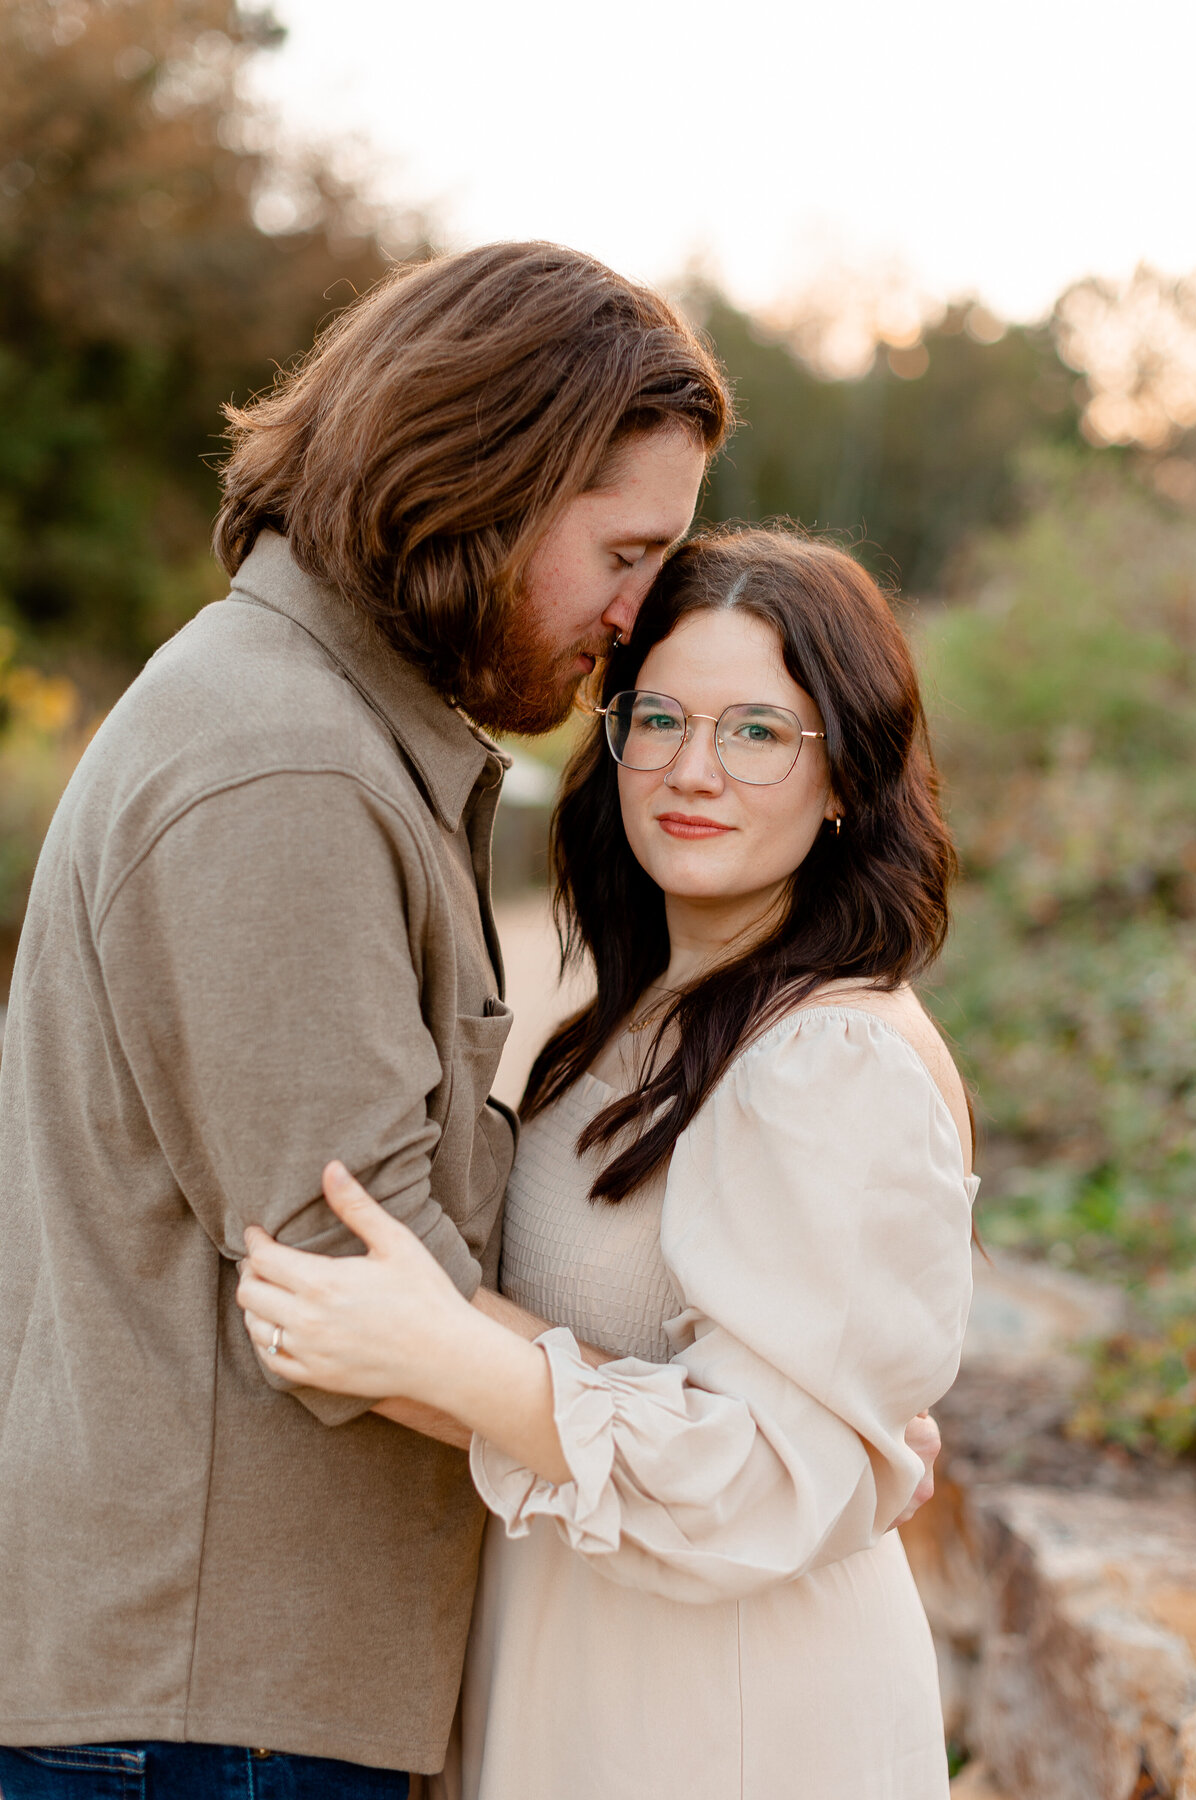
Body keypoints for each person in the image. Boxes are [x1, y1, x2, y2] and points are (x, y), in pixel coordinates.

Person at [0, 242, 729, 1797]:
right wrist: (734, 1441)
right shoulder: (285, 768)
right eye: (625, 551)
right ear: (487, 483)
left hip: (241, 1707)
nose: (637, 615)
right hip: (210, 1718)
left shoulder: (325, 732)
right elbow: (362, 1310)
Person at [235, 527, 978, 1798]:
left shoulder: (831, 1059)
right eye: (660, 717)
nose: (694, 770)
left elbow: (767, 1478)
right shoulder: (645, 1011)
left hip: (731, 1720)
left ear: (845, 772)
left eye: (758, 732)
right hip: (595, 1670)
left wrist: (453, 1358)